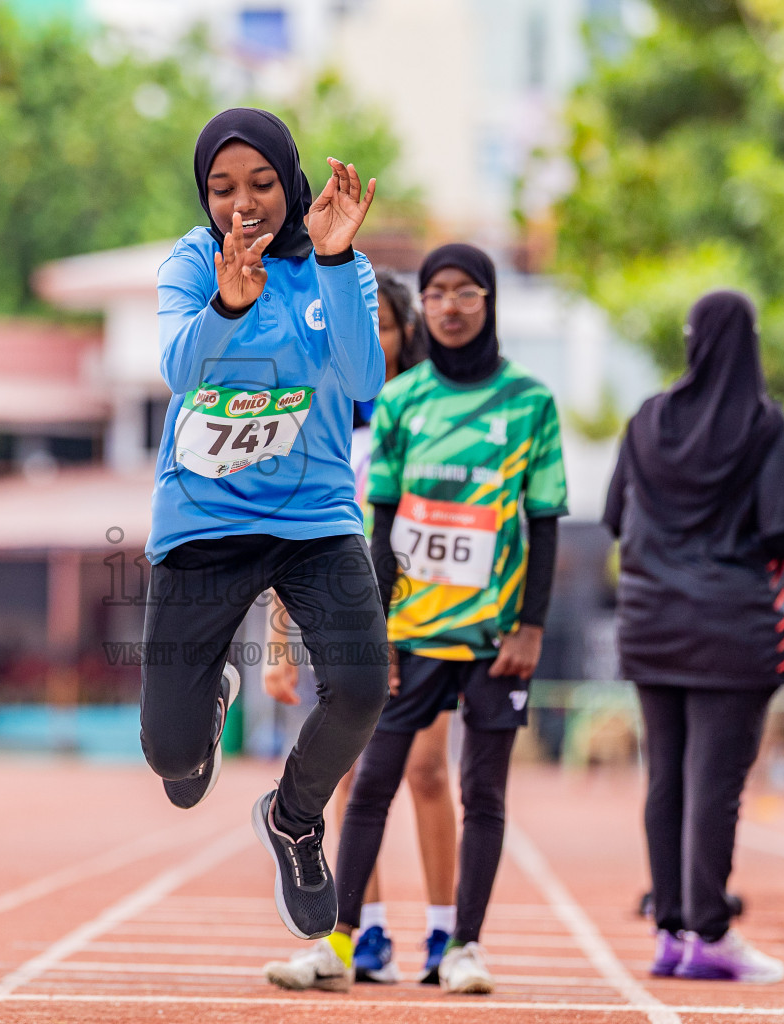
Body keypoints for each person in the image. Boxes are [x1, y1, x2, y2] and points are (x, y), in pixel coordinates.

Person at [264, 243, 568, 995]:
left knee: (482, 792)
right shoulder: (401, 404)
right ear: (424, 306)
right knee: (369, 786)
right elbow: (383, 527)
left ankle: (463, 945)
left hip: (496, 636)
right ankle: (339, 942)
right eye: (437, 294)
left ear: (490, 302)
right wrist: (379, 633)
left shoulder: (531, 402)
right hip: (413, 633)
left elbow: (547, 520)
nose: (451, 307)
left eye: (467, 292)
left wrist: (532, 626)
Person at [140, 107, 389, 940]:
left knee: (361, 689)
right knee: (174, 763)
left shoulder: (336, 262)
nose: (242, 205)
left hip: (315, 514)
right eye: (222, 189)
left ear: (292, 183)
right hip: (204, 518)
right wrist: (227, 305)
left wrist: (334, 257)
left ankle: (293, 818)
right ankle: (207, 696)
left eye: (261, 185)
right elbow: (179, 366)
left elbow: (363, 380)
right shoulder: (190, 261)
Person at [605, 290, 784, 986]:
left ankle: (670, 929)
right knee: (714, 785)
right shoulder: (763, 425)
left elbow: (613, 516)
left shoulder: (646, 420)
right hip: (733, 626)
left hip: (652, 623)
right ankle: (712, 932)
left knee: (665, 777)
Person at [262, 269, 454, 984]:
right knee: (346, 777)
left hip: (429, 621)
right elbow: (295, 539)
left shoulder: (435, 421)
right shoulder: (322, 421)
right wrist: (279, 645)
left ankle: (447, 933)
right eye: (357, 326)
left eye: (382, 325)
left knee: (430, 774)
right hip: (346, 617)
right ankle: (362, 933)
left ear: (406, 334)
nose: (370, 338)